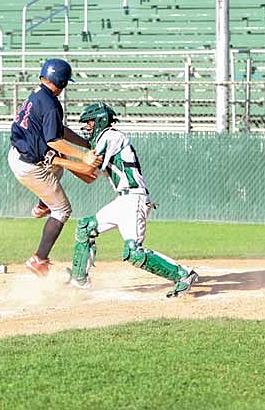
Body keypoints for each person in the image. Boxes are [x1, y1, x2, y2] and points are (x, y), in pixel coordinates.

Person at [65, 102, 198, 298]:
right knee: (85, 228)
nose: (87, 128)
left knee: (133, 252)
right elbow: (89, 176)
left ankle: (184, 275)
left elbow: (88, 168)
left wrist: (59, 158)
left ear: (101, 121)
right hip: (123, 200)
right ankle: (79, 280)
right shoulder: (105, 139)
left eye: (90, 123)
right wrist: (63, 162)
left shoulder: (111, 136)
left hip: (134, 198)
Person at [8, 58, 102, 277]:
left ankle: (43, 205)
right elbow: (53, 141)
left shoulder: (38, 96)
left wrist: (85, 144)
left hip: (18, 155)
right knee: (63, 210)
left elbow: (58, 131)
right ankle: (39, 259)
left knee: (57, 167)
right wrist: (83, 156)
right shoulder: (51, 104)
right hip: (30, 165)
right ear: (61, 82)